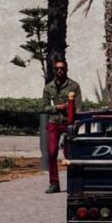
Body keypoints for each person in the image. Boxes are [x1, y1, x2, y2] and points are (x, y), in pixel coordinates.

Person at [42, 55, 82, 194]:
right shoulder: (49, 87)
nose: (60, 71)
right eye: (57, 69)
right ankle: (54, 183)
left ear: (66, 70)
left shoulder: (74, 86)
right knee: (52, 152)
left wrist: (74, 120)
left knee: (69, 154)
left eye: (62, 69)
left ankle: (73, 183)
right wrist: (58, 108)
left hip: (68, 123)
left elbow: (78, 107)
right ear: (54, 70)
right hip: (54, 122)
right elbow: (44, 107)